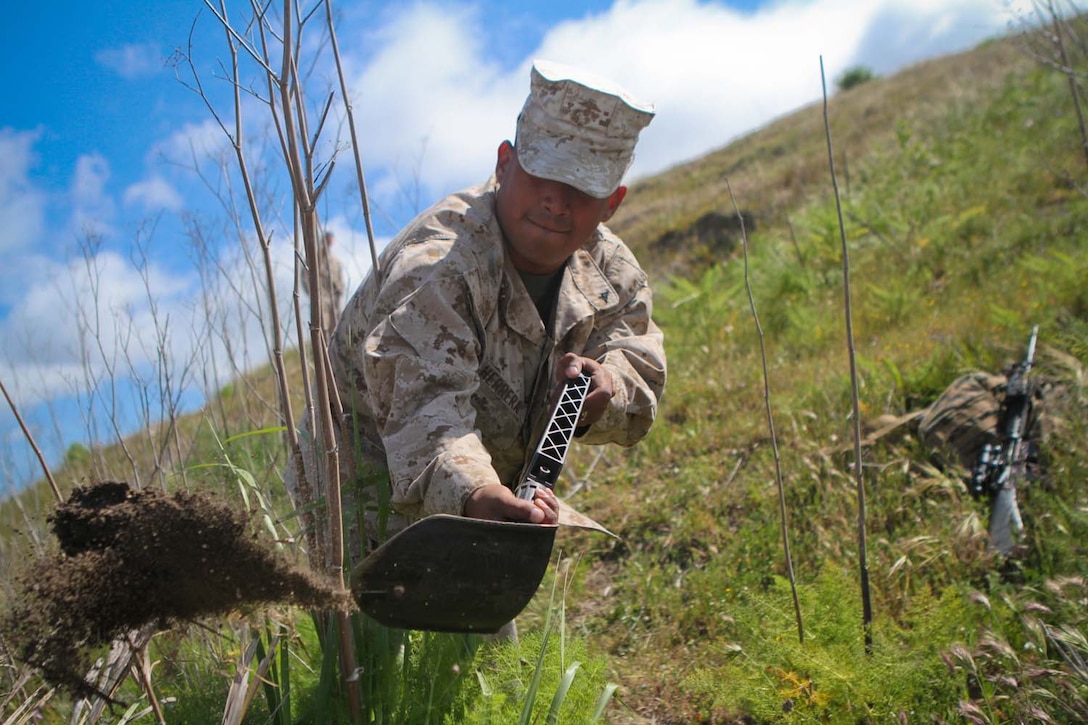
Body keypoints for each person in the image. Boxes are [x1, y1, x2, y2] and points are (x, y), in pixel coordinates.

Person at [290, 60, 666, 564]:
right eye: (543, 175)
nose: (557, 202)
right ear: (505, 164)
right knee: (369, 632)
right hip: (360, 479)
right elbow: (426, 407)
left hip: (489, 490)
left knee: (487, 637)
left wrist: (609, 389)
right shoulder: (439, 264)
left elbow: (638, 359)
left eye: (583, 188)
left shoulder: (612, 271)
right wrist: (475, 494)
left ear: (612, 203)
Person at [302, 230, 346, 329]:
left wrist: (340, 290)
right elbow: (305, 277)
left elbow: (340, 280)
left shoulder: (335, 262)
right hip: (320, 297)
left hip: (334, 298)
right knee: (322, 324)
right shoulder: (313, 258)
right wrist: (313, 293)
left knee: (335, 326)